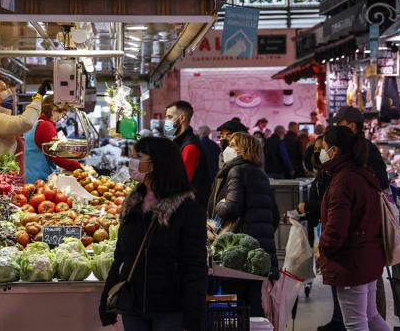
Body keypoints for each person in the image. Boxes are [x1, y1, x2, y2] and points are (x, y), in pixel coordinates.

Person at [99, 137, 207, 331]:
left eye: (138, 156)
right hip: (133, 305)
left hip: (169, 308)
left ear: (157, 163)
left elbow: (195, 266)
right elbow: (121, 256)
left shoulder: (187, 209)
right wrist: (107, 297)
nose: (132, 161)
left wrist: (193, 315)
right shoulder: (132, 205)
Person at [318, 126, 389, 331]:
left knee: (356, 324)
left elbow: (336, 230)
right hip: (367, 255)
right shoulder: (363, 173)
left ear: (335, 151)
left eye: (323, 147)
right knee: (371, 316)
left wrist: (323, 247)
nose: (321, 153)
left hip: (351, 260)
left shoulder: (342, 181)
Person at [210, 132, 279, 316]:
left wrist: (220, 203)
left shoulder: (237, 170)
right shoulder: (260, 173)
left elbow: (231, 208)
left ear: (245, 149)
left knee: (238, 303)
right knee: (254, 302)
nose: (228, 148)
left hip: (240, 248)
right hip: (261, 249)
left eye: (233, 144)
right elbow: (275, 215)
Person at [0, 75, 42, 170]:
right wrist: (38, 99)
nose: (9, 92)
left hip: (0, 175)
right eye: (3, 89)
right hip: (0, 177)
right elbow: (25, 122)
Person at [164, 101, 211, 209]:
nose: (166, 121)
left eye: (170, 117)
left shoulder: (190, 146)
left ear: (182, 118)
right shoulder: (180, 142)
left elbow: (182, 182)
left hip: (189, 209)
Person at [24, 96, 82, 183]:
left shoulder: (34, 123)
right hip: (39, 181)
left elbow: (52, 149)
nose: (61, 119)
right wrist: (79, 166)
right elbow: (57, 157)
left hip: (28, 177)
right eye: (62, 115)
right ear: (54, 111)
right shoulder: (46, 126)